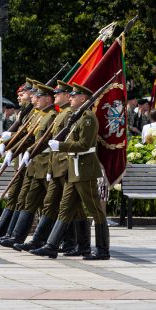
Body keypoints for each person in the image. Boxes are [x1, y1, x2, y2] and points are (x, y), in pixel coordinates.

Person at [33, 83, 110, 259]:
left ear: (83, 98)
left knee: (95, 210)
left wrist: (60, 145)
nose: (71, 97)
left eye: (75, 96)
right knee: (65, 209)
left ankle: (102, 249)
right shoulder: (77, 117)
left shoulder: (88, 118)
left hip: (84, 169)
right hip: (73, 170)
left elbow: (84, 145)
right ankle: (52, 245)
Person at [0, 83, 58, 249]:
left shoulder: (52, 115)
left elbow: (44, 141)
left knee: (54, 204)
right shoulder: (40, 115)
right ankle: (16, 236)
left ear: (47, 98)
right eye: (34, 96)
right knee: (28, 200)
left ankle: (63, 241)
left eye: (37, 97)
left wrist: (23, 150)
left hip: (46, 164)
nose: (34, 99)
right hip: (34, 163)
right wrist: (10, 147)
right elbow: (28, 137)